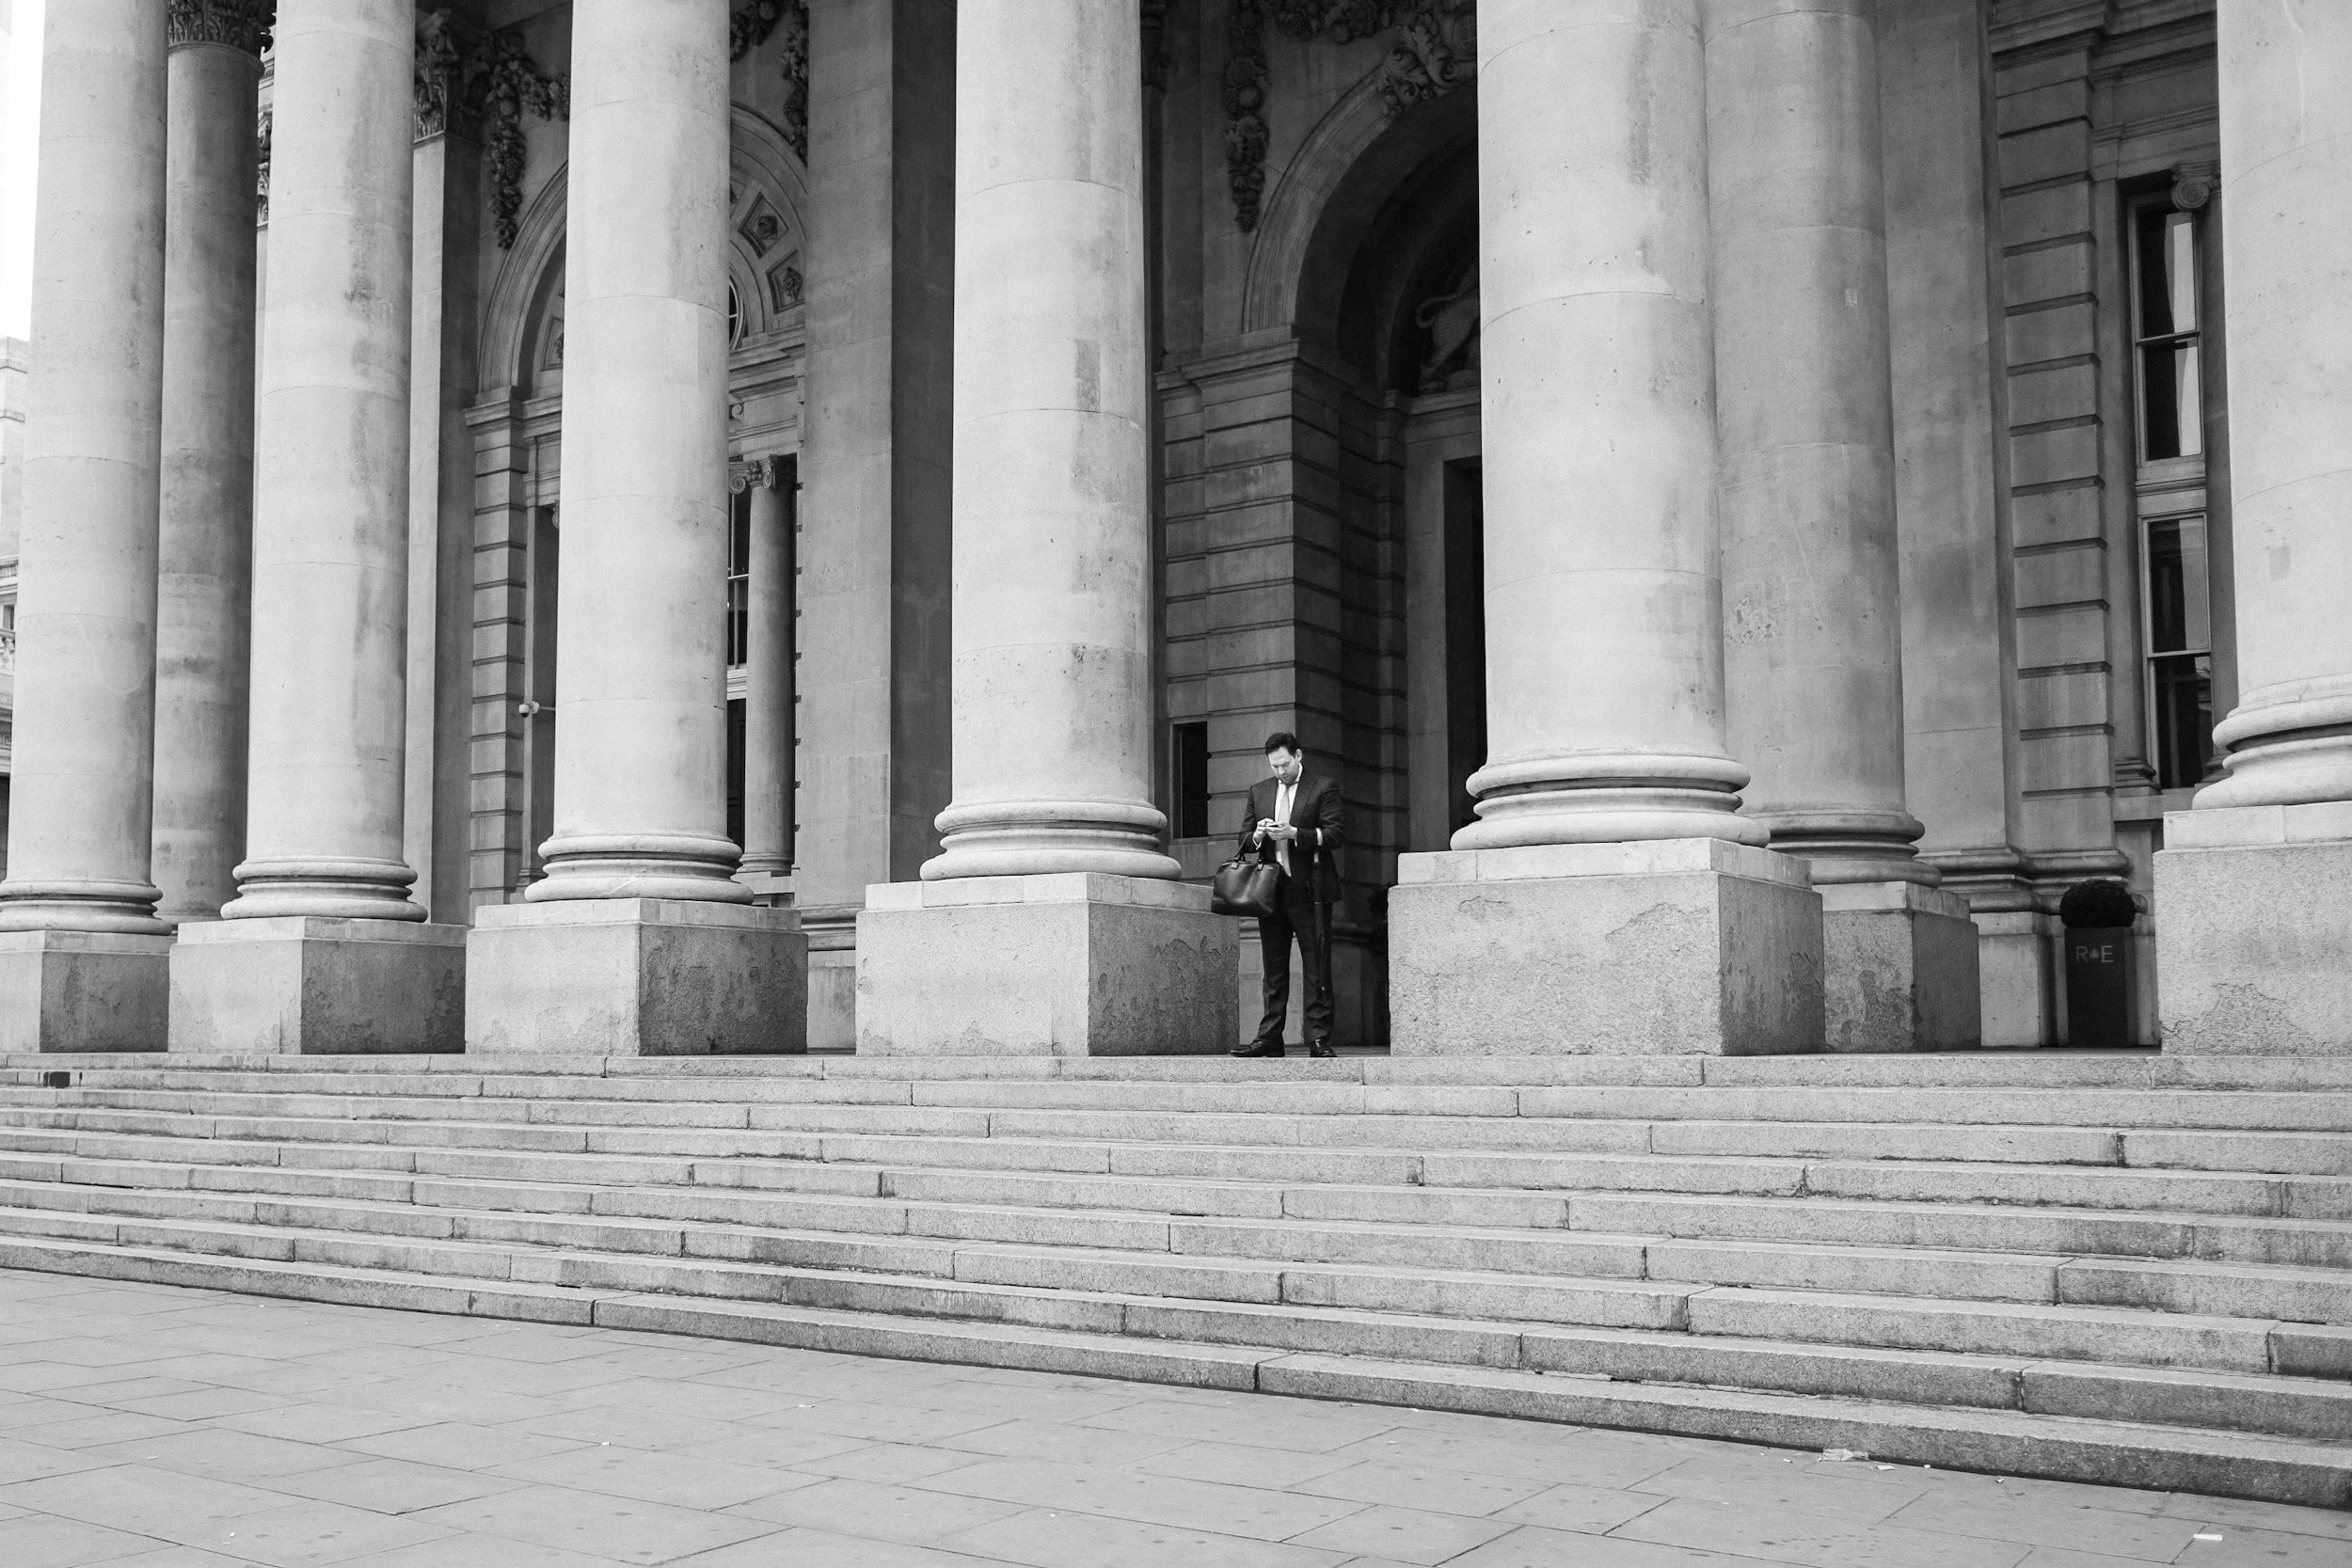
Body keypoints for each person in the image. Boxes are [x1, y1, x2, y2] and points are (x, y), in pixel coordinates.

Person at [1231, 732, 1343, 1058]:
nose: (1279, 771)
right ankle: (1270, 1037)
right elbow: (1244, 837)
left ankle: (1319, 1037)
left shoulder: (1323, 787)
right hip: (1270, 889)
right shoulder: (1259, 791)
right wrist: (1258, 834)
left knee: (1316, 965)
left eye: (1284, 764)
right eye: (1274, 766)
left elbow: (1335, 834)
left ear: (1298, 755)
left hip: (1311, 889)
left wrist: (1296, 833)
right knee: (1274, 968)